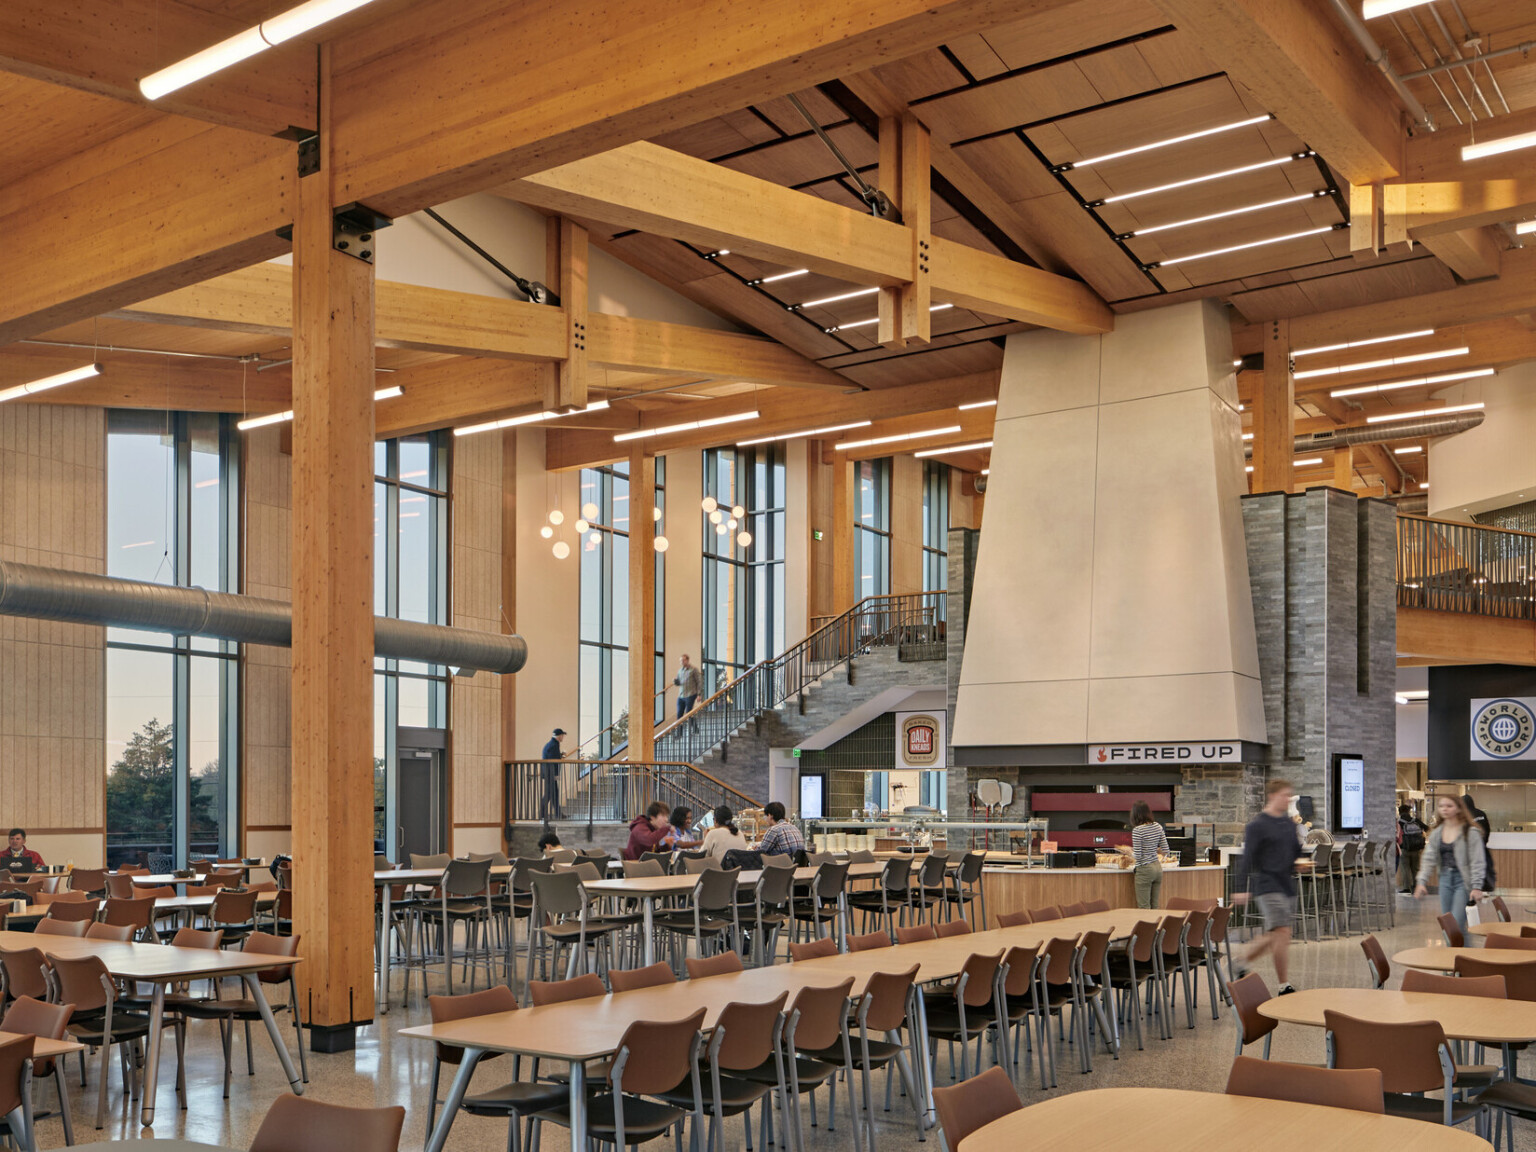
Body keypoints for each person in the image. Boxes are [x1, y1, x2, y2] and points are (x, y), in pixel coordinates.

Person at [1232, 779, 1307, 995]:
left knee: (1277, 934)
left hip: (1286, 885)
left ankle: (1241, 961)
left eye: (1289, 796)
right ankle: (1284, 985)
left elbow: (1296, 851)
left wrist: (1301, 861)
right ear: (1272, 796)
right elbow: (1247, 858)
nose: (1288, 799)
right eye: (1285, 795)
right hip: (1267, 885)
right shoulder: (1257, 825)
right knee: (1282, 931)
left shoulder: (1288, 824)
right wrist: (1240, 886)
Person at [1414, 793, 1487, 934]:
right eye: (1441, 806)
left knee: (1456, 923)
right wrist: (1421, 882)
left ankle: (1460, 948)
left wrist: (1477, 886)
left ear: (1458, 808)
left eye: (1449, 806)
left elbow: (1477, 860)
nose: (1445, 809)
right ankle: (1459, 948)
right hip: (1445, 879)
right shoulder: (1437, 833)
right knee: (1448, 924)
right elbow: (1428, 858)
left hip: (1462, 880)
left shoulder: (1470, 832)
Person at [1129, 800, 1169, 909]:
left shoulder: (1137, 830)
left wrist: (1128, 852)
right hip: (1157, 868)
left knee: (1144, 907)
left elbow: (1138, 856)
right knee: (1155, 906)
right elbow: (1166, 850)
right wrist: (1152, 849)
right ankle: (1157, 921)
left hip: (1145, 869)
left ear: (1134, 815)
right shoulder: (1158, 826)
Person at [1396, 804, 1427, 893]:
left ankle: (1407, 888)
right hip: (1416, 848)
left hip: (1404, 848)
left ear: (1400, 812)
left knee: (1405, 869)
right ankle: (1416, 887)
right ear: (1409, 812)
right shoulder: (1415, 820)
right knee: (1415, 869)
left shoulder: (1399, 822)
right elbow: (1427, 828)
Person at [539, 728, 566, 822]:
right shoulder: (554, 745)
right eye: (562, 735)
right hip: (550, 774)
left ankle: (558, 814)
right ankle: (542, 814)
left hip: (548, 773)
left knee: (554, 794)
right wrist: (555, 774)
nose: (563, 737)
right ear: (559, 736)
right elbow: (552, 761)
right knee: (549, 794)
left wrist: (560, 755)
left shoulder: (552, 744)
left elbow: (553, 758)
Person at [673, 654, 701, 719]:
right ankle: (682, 727)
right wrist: (675, 681)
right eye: (680, 661)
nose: (681, 662)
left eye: (683, 660)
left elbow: (699, 682)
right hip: (681, 695)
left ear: (687, 660)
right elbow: (679, 683)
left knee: (688, 714)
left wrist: (699, 694)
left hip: (691, 694)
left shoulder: (694, 669)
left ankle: (693, 725)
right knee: (679, 714)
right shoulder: (680, 671)